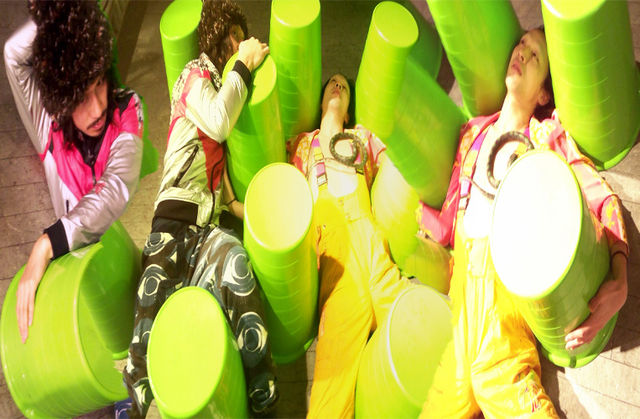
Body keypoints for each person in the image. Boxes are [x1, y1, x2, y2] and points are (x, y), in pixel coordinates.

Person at [417, 28, 628, 418]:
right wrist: (417, 219)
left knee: (501, 382)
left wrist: (620, 274)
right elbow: (449, 219)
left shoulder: (545, 137)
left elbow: (602, 198)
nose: (523, 54)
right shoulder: (472, 134)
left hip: (502, 295)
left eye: (536, 57)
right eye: (523, 45)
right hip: (460, 303)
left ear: (543, 94)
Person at [121, 1, 277, 417]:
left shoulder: (227, 94)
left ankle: (264, 399)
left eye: (242, 37)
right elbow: (217, 119)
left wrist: (254, 210)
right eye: (234, 36)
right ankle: (134, 404)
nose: (240, 44)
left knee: (238, 270)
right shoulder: (194, 75)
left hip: (208, 230)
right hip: (173, 223)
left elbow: (223, 182)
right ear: (220, 38)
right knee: (147, 327)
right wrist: (243, 63)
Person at [3, 0, 144, 344]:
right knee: (106, 330)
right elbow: (13, 53)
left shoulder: (127, 107)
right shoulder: (46, 124)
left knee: (135, 308)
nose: (97, 108)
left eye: (98, 83)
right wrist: (60, 15)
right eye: (80, 97)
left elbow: (114, 188)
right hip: (74, 257)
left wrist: (46, 242)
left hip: (109, 243)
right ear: (60, 99)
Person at [287, 73, 413, 418]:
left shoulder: (362, 136)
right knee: (331, 395)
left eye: (344, 84)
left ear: (349, 107)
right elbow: (282, 196)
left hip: (371, 240)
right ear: (321, 99)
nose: (337, 84)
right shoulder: (301, 145)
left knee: (423, 331)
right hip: (336, 257)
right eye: (331, 81)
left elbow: (398, 169)